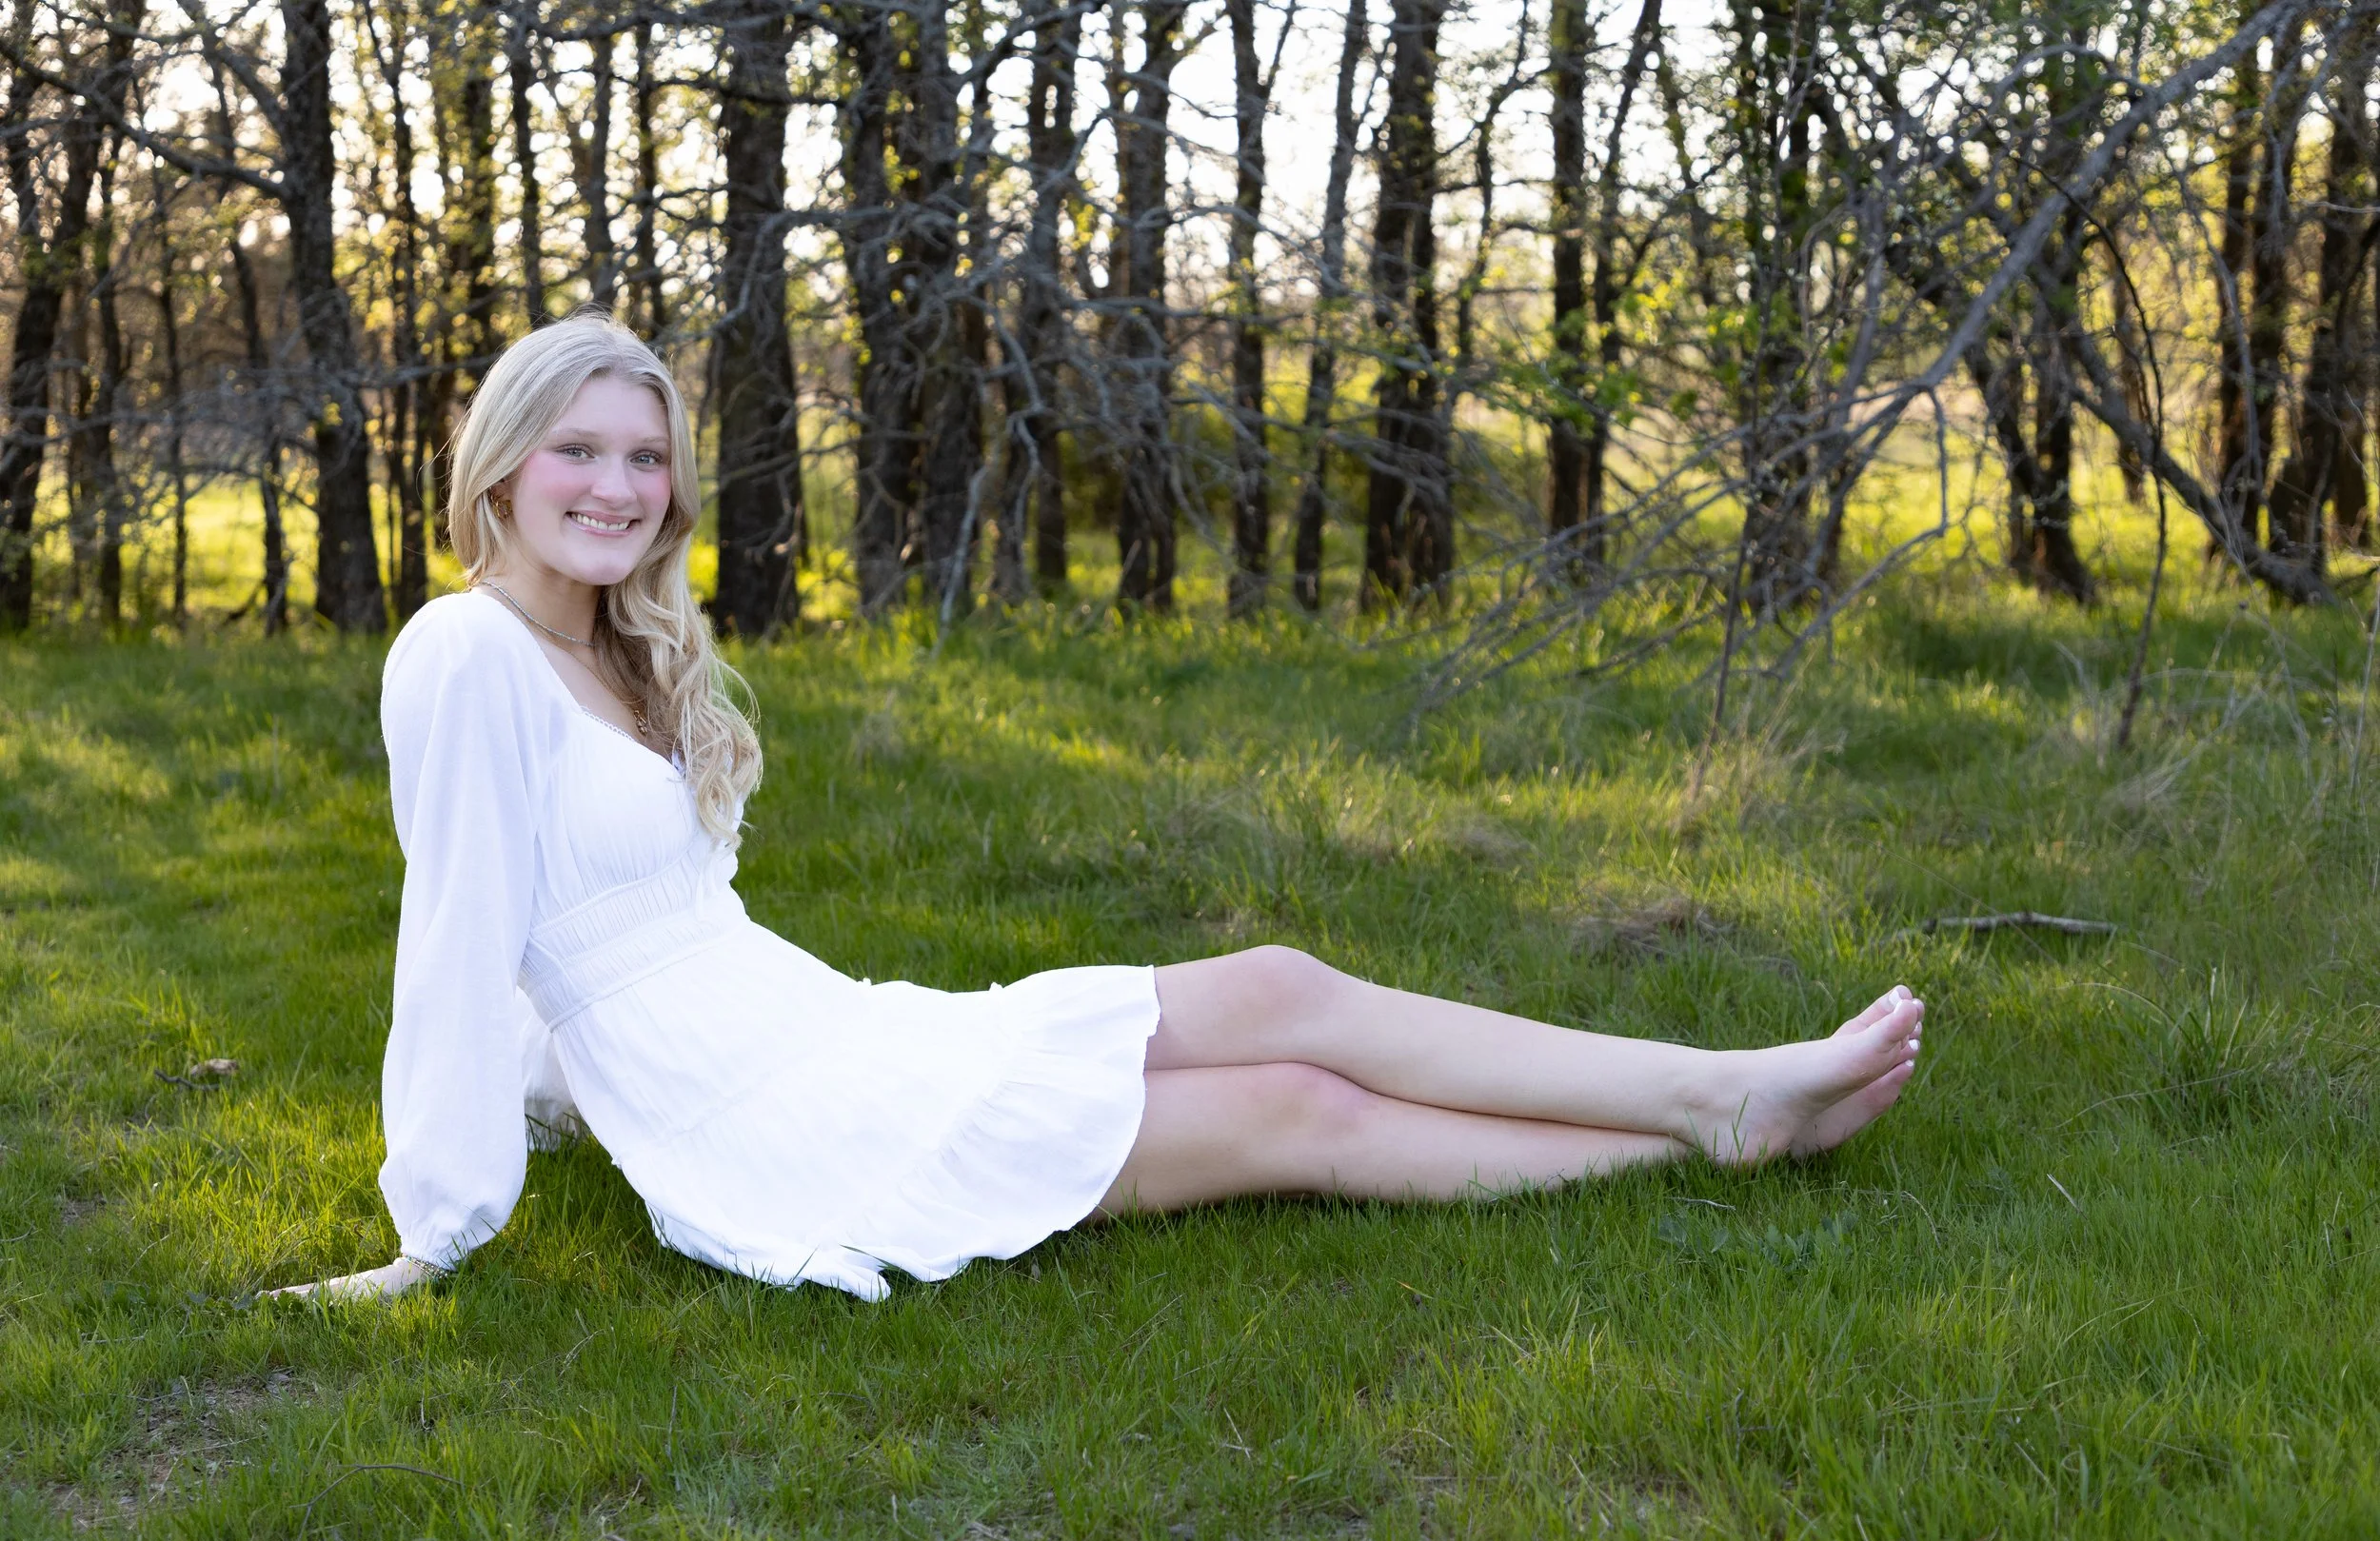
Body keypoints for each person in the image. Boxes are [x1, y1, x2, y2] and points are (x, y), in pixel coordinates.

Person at [269, 313, 1922, 1304]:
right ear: (499, 466)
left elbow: (582, 939)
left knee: (1277, 984)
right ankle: (1702, 1134)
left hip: (831, 1027)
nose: (620, 488)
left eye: (646, 457)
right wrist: (443, 1224)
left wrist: (562, 1096)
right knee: (1296, 1115)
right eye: (580, 452)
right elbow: (462, 934)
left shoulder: (621, 644)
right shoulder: (464, 653)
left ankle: (1717, 1097)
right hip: (779, 1117)